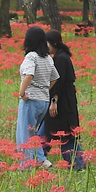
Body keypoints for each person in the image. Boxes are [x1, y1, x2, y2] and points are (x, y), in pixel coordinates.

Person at [16, 26, 58, 168]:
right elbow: (54, 78)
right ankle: (39, 159)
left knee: (25, 133)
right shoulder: (47, 58)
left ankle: (29, 163)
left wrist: (22, 92)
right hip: (44, 101)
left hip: (31, 100)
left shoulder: (31, 57)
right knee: (33, 132)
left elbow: (29, 74)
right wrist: (44, 89)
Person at [44, 29, 84, 170]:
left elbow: (58, 82)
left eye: (46, 44)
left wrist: (54, 101)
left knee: (62, 133)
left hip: (62, 101)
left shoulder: (60, 58)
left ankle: (77, 164)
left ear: (53, 43)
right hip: (66, 99)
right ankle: (37, 157)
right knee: (59, 132)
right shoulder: (62, 56)